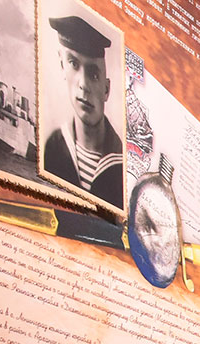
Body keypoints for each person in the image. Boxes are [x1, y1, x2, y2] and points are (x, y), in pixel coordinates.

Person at [42, 14, 124, 208]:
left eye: (94, 74)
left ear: (106, 89)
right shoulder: (53, 147)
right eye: (74, 64)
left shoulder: (122, 164)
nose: (84, 84)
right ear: (62, 66)